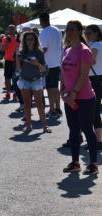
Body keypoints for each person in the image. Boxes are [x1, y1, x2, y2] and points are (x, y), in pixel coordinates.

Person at [60, 20, 98, 175]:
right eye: (67, 29)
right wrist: (62, 91)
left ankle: (93, 164)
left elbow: (83, 75)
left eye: (72, 29)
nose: (68, 32)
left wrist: (73, 94)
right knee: (73, 130)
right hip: (69, 97)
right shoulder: (67, 50)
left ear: (79, 31)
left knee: (87, 129)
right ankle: (75, 162)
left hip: (85, 97)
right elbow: (63, 73)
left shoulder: (84, 50)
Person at [16, 31, 51, 133]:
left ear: (35, 40)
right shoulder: (22, 52)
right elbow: (18, 68)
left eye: (32, 39)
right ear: (24, 41)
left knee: (39, 104)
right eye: (27, 39)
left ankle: (45, 126)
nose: (29, 41)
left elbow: (44, 69)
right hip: (24, 80)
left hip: (36, 80)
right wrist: (17, 59)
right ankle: (28, 126)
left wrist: (37, 64)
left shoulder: (39, 52)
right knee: (27, 104)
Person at [39, 12, 63, 117]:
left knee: (50, 88)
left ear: (41, 21)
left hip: (48, 64)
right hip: (57, 62)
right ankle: (57, 108)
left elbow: (43, 49)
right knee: (55, 87)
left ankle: (53, 109)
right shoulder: (57, 30)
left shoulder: (44, 32)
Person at [84, 24, 102, 149]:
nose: (86, 35)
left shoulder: (95, 45)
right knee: (95, 110)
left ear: (96, 33)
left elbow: (91, 61)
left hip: (95, 79)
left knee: (93, 111)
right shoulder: (98, 44)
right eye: (86, 33)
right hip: (98, 78)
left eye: (89, 33)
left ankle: (98, 141)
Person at [0, 25, 19, 101]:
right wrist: (7, 43)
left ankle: (15, 93)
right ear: (8, 30)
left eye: (13, 29)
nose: (11, 30)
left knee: (16, 78)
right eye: (10, 29)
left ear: (15, 30)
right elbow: (2, 49)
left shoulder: (18, 38)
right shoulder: (5, 39)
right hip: (8, 60)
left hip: (16, 61)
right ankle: (8, 93)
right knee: (7, 78)